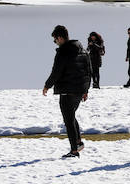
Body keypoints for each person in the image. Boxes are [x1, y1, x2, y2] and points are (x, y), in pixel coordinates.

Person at [42, 25, 91, 159]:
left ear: (60, 38)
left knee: (68, 120)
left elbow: (56, 72)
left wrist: (47, 86)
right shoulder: (82, 50)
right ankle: (78, 142)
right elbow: (88, 70)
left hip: (67, 91)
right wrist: (86, 90)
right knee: (71, 116)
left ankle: (74, 151)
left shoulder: (63, 52)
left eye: (55, 40)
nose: (55, 42)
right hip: (79, 90)